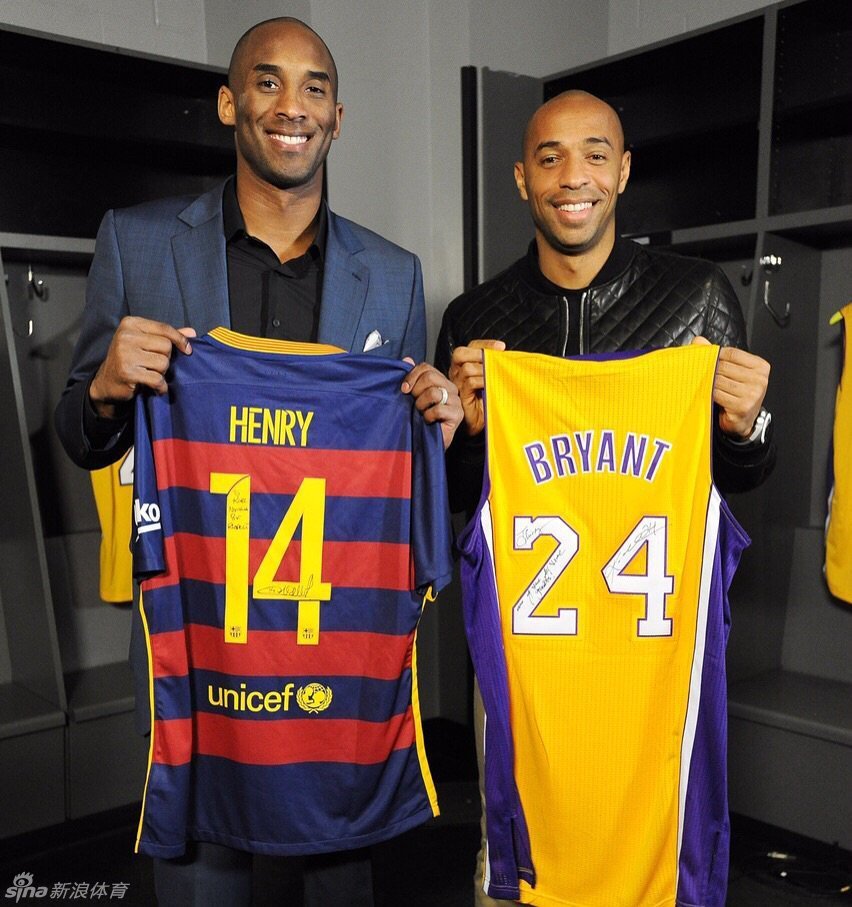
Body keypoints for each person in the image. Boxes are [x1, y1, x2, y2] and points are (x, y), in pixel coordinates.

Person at [54, 17, 460, 907]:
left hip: (332, 654)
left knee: (339, 885)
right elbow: (80, 433)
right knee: (202, 883)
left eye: (315, 87)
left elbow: (397, 474)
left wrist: (438, 425)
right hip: (200, 644)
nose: (292, 106)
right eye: (268, 82)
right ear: (229, 103)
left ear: (338, 117)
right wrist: (107, 388)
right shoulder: (138, 240)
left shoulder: (393, 275)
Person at [434, 90, 775, 906]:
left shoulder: (700, 299)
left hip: (652, 656)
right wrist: (465, 431)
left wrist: (750, 422)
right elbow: (461, 499)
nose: (572, 177)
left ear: (622, 172)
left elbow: (738, 478)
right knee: (516, 863)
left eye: (594, 154)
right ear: (522, 179)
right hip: (526, 660)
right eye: (549, 158)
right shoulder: (476, 319)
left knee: (654, 859)